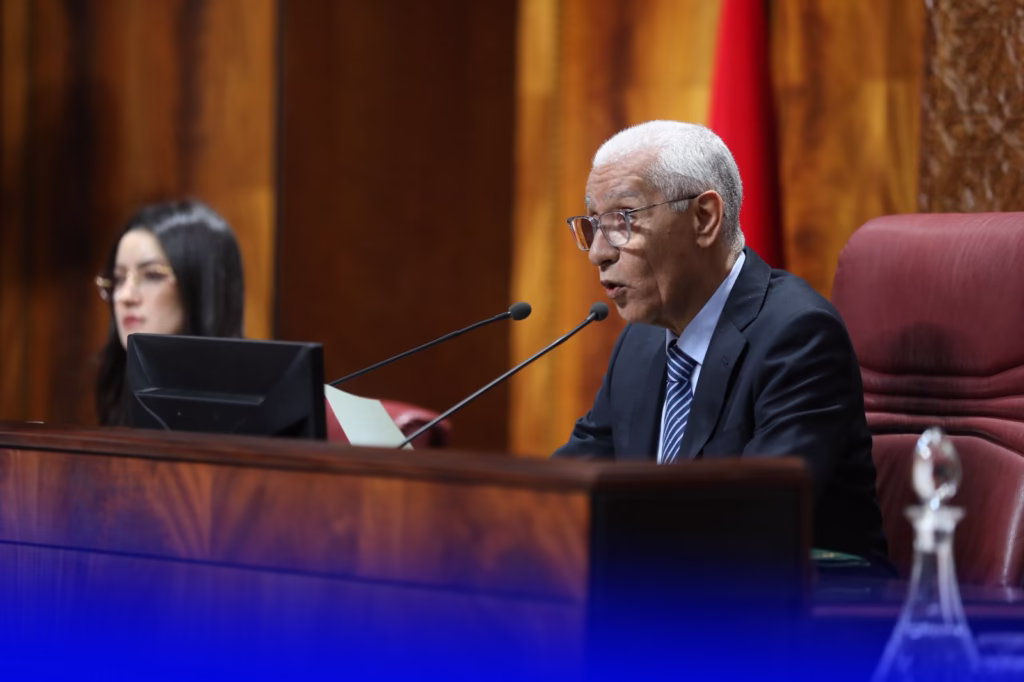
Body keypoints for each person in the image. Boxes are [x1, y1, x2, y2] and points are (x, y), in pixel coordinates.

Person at [553, 120, 887, 563]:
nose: (598, 252)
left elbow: (754, 519)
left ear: (704, 219)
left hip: (809, 599)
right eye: (594, 224)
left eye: (622, 220)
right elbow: (567, 487)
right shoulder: (639, 343)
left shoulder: (798, 336)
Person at [94, 200, 245, 426]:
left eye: (152, 275)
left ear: (202, 286)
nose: (125, 296)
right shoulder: (116, 390)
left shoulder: (247, 411)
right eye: (118, 279)